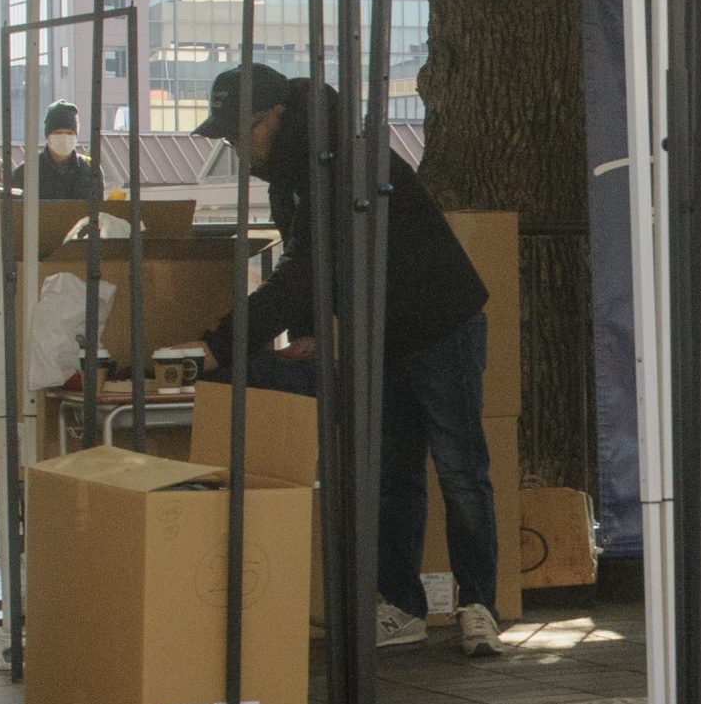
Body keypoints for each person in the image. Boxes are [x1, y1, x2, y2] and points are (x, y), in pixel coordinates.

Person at [182, 64, 503, 658]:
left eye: (243, 132)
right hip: (377, 330)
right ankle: (402, 604)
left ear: (276, 115)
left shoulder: (337, 161)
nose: (239, 148)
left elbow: (304, 271)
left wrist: (222, 343)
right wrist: (308, 330)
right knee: (391, 472)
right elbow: (309, 263)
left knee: (459, 467)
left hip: (439, 320)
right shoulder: (292, 172)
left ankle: (479, 604)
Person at [31, 101, 104, 204]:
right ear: (48, 136)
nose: (64, 138)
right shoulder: (28, 171)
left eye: (70, 133)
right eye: (58, 133)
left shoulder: (91, 170)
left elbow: (99, 209)